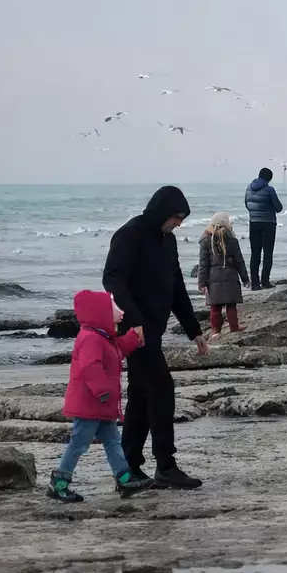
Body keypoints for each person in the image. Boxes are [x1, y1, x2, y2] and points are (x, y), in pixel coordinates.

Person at [103, 186, 207, 489]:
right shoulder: (129, 234)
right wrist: (134, 322)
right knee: (162, 388)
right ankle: (165, 465)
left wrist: (194, 330)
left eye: (182, 219)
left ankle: (129, 466)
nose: (179, 224)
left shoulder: (169, 242)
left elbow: (175, 288)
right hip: (133, 332)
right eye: (176, 218)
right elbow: (112, 279)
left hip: (154, 331)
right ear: (162, 212)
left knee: (141, 395)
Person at [47, 290, 153, 502]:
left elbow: (116, 353)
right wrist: (103, 390)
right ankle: (58, 484)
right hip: (91, 403)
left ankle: (124, 478)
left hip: (101, 405)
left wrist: (131, 339)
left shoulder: (104, 338)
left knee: (113, 439)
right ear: (100, 313)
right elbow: (90, 366)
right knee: (79, 442)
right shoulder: (90, 339)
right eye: (114, 308)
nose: (120, 312)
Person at [198, 212, 250, 338]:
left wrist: (201, 282)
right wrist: (245, 279)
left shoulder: (206, 240)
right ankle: (234, 329)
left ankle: (215, 331)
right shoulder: (232, 240)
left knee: (215, 307)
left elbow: (203, 264)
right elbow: (239, 261)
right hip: (230, 277)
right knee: (231, 306)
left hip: (213, 278)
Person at [244, 168, 284, 290]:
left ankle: (255, 283)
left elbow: (247, 204)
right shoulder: (269, 190)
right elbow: (279, 208)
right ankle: (265, 281)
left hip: (253, 223)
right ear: (269, 178)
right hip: (268, 223)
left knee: (255, 254)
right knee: (267, 253)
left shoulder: (249, 188)